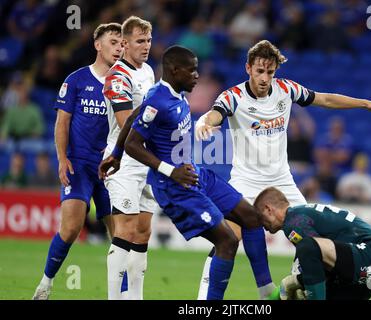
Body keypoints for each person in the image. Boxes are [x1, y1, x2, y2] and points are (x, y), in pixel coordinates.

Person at [194, 39, 371, 299]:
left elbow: (325, 99)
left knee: (315, 242)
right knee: (229, 238)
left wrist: (366, 104)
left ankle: (302, 293)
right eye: (259, 71)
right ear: (248, 68)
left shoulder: (286, 90)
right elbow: (216, 113)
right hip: (245, 181)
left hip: (282, 182)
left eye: (270, 72)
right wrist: (206, 123)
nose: (265, 78)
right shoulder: (234, 96)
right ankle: (203, 300)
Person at [100, 45, 274, 300]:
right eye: (192, 70)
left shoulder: (168, 94)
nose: (197, 76)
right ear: (174, 70)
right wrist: (169, 171)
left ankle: (267, 293)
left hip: (194, 174)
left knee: (251, 216)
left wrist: (115, 154)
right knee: (227, 241)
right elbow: (133, 144)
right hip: (174, 187)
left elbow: (135, 115)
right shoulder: (160, 101)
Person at [32, 22, 123, 300]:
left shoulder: (124, 84)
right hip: (79, 164)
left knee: (120, 237)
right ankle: (45, 284)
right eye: (113, 42)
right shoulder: (76, 80)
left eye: (122, 44)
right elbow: (62, 122)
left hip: (111, 168)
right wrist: (62, 158)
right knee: (71, 229)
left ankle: (121, 294)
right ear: (98, 45)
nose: (119, 48)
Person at [254, 187, 371, 300]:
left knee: (307, 248)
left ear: (268, 209)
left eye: (260, 218)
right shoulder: (301, 214)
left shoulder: (293, 222)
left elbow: (311, 250)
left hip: (370, 255)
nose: (261, 225)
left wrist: (293, 282)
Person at [101, 16, 156, 300]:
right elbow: (126, 122)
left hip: (148, 159)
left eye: (148, 40)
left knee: (143, 232)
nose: (146, 46)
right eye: (139, 41)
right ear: (124, 43)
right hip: (123, 158)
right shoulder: (117, 76)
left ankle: (135, 297)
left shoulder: (147, 71)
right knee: (125, 228)